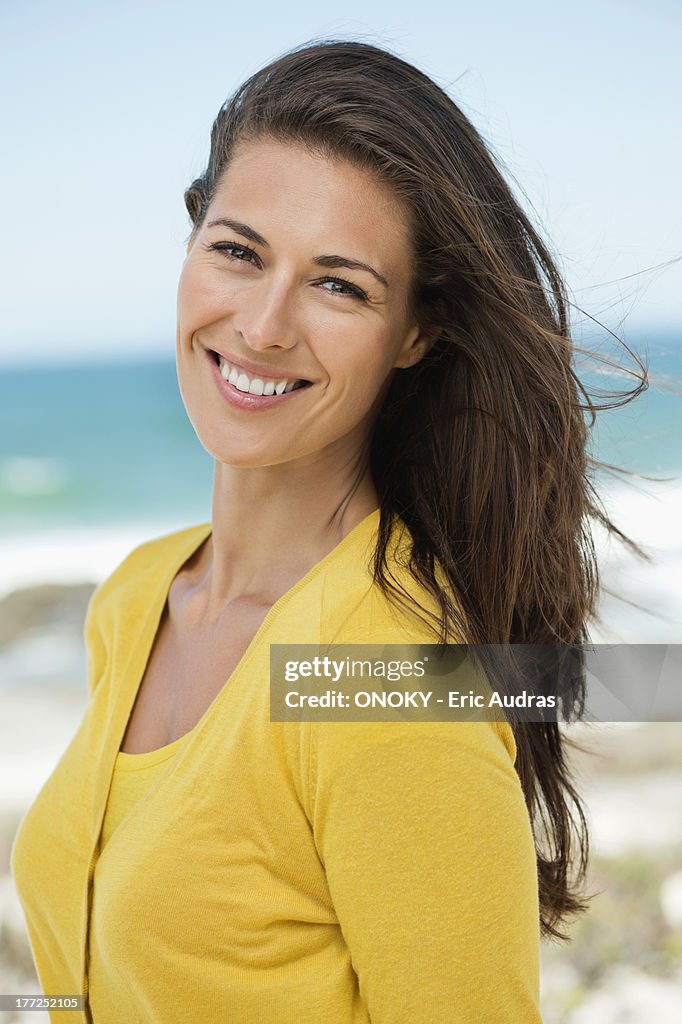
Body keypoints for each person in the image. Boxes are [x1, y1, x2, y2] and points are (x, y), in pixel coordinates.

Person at [10, 37, 646, 1024]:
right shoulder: (137, 597)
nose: (264, 325)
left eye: (338, 283)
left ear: (414, 333)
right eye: (237, 251)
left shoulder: (386, 671)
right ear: (190, 244)